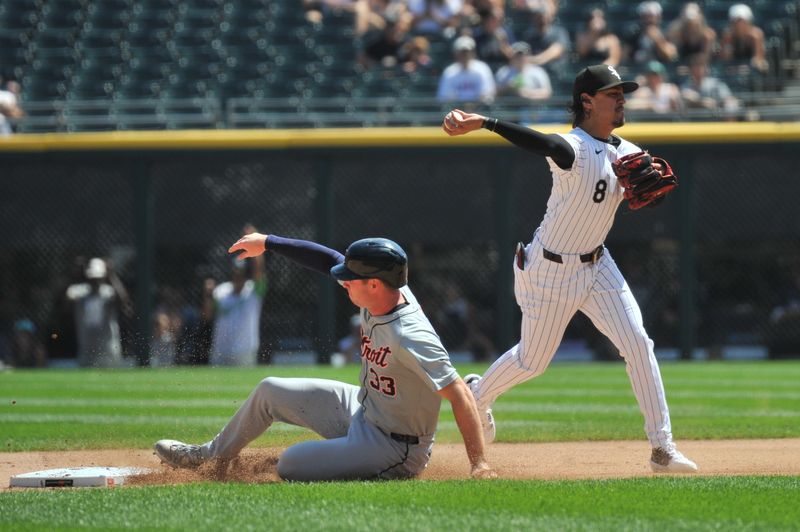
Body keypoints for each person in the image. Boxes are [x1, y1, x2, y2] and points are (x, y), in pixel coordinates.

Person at [441, 63, 698, 472]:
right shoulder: (573, 148)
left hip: (598, 265)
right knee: (532, 361)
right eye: (613, 94)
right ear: (587, 102)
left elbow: (655, 193)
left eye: (622, 93)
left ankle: (662, 449)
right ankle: (478, 394)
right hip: (549, 270)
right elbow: (542, 143)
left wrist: (656, 194)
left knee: (638, 344)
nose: (621, 100)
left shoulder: (627, 151)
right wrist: (486, 122)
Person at [154, 233, 496, 481]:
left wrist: (479, 464)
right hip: (365, 410)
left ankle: (335, 460)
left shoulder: (410, 334)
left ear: (374, 284)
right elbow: (328, 259)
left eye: (351, 279)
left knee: (289, 464)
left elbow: (459, 395)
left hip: (395, 447)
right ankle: (208, 457)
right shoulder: (385, 290)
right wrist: (268, 243)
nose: (343, 282)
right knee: (269, 390)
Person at [203, 224, 267, 366]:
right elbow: (207, 316)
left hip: (244, 352)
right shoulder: (221, 291)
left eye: (241, 274)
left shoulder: (253, 292)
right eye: (236, 273)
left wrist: (258, 243)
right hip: (220, 350)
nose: (238, 277)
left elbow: (259, 271)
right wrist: (207, 295)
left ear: (246, 274)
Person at [66, 257, 127, 368]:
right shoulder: (79, 292)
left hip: (108, 349)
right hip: (86, 349)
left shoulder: (109, 292)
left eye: (98, 278)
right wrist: (75, 274)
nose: (95, 281)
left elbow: (123, 301)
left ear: (103, 277)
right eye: (92, 278)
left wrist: (112, 275)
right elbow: (66, 300)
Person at [436, 35, 496, 104]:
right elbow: (443, 97)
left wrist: (473, 104)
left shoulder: (482, 68)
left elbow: (488, 94)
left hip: (479, 109)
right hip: (456, 109)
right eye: (462, 52)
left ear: (473, 52)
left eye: (467, 52)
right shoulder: (450, 72)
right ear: (456, 54)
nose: (465, 55)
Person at [519, 0, 570, 78]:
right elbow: (521, 55)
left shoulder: (559, 33)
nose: (541, 19)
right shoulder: (529, 35)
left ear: (549, 16)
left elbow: (552, 53)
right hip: (535, 77)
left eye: (543, 15)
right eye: (538, 16)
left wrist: (531, 60)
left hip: (555, 76)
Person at [719, 3, 768, 74]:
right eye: (737, 22)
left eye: (743, 22)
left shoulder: (756, 35)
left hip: (752, 70)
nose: (740, 25)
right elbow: (726, 59)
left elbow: (758, 58)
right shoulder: (727, 36)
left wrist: (747, 68)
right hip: (733, 70)